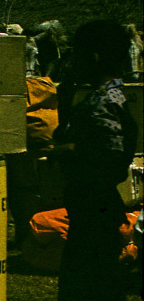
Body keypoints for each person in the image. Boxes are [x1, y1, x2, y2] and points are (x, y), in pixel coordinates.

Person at [53, 20, 138, 301]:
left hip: (95, 211)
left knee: (91, 286)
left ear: (94, 57)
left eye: (78, 54)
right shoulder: (107, 96)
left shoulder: (104, 101)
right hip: (92, 208)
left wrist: (70, 151)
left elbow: (111, 160)